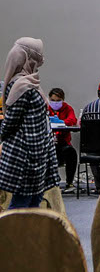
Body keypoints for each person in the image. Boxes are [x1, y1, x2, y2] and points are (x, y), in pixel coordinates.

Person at [0, 38, 60, 208]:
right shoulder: (21, 85)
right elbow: (11, 121)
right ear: (29, 58)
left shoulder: (30, 81)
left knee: (34, 201)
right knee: (21, 205)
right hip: (25, 156)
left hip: (37, 153)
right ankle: (13, 235)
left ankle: (30, 235)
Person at [46, 87, 79, 192]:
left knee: (72, 153)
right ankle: (50, 184)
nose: (55, 103)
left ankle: (69, 182)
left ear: (63, 100)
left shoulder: (67, 108)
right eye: (53, 100)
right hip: (48, 144)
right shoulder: (45, 108)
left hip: (63, 143)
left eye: (58, 101)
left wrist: (60, 122)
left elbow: (72, 120)